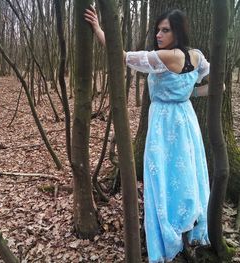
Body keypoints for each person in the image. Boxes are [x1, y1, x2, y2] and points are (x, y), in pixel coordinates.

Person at [85, 6, 212, 263]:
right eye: (158, 30)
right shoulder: (196, 56)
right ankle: (188, 224)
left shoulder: (164, 57)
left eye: (165, 30)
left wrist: (98, 28)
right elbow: (213, 85)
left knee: (162, 176)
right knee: (187, 171)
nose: (159, 34)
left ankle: (171, 231)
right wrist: (188, 94)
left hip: (164, 123)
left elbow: (120, 55)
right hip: (186, 120)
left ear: (177, 32)